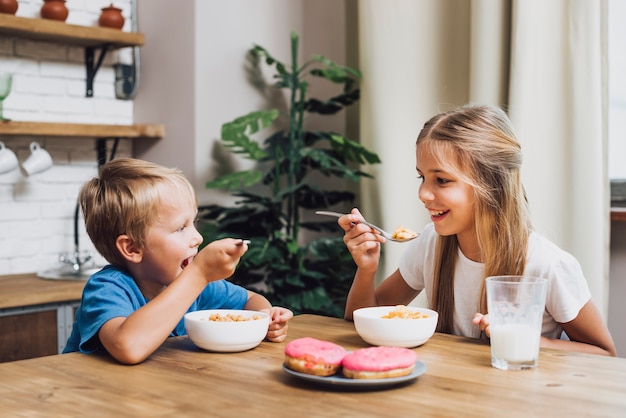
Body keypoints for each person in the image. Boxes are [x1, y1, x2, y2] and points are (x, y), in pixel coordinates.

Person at [339, 104, 616, 356]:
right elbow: (359, 320)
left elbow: (604, 353)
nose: (423, 193)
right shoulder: (430, 244)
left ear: (491, 183)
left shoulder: (547, 264)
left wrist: (524, 338)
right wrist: (367, 269)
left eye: (442, 180)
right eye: (422, 177)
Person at [63, 158, 293, 364]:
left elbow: (251, 300)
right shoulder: (107, 289)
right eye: (181, 228)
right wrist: (200, 273)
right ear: (133, 248)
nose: (198, 237)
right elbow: (128, 347)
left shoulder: (192, 284)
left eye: (193, 223)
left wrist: (267, 318)